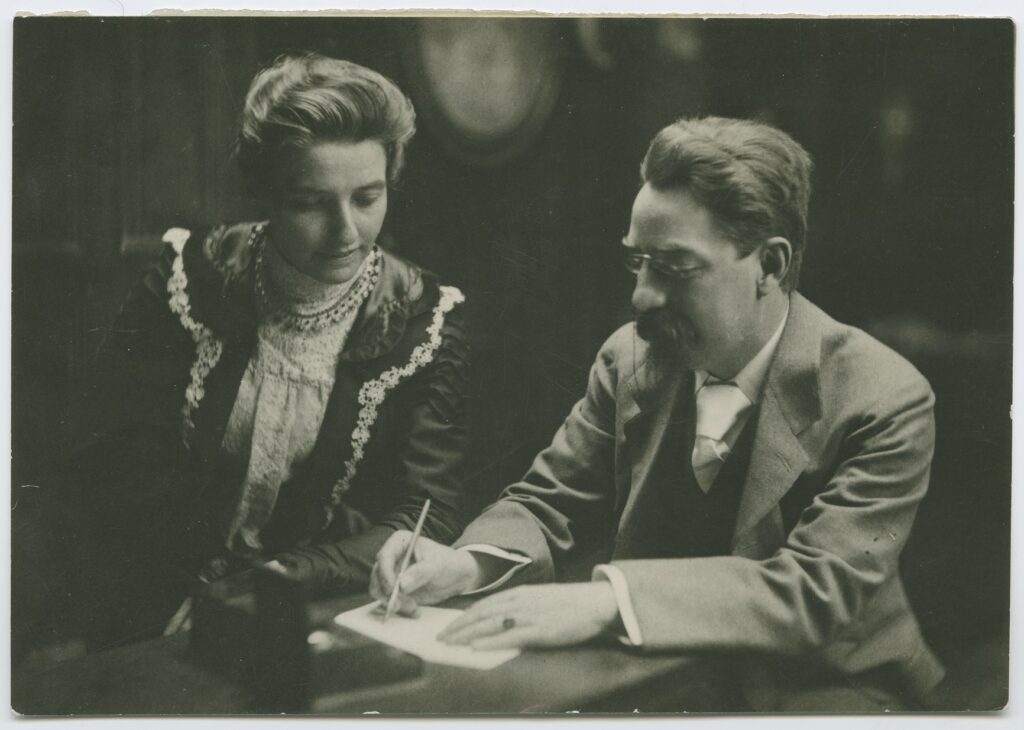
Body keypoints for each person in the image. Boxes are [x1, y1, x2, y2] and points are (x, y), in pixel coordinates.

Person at [370, 116, 944, 711]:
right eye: (636, 263)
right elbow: (548, 503)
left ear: (769, 266)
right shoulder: (632, 358)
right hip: (660, 678)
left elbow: (816, 591)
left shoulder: (884, 397)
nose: (642, 296)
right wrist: (464, 564)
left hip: (824, 687)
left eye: (673, 268)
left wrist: (610, 600)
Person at [13, 52, 469, 655]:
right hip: (150, 607)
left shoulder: (422, 317)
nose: (346, 232)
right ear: (267, 194)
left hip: (323, 614)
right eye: (311, 202)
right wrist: (180, 605)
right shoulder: (190, 280)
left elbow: (422, 515)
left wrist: (269, 583)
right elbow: (115, 471)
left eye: (368, 196)